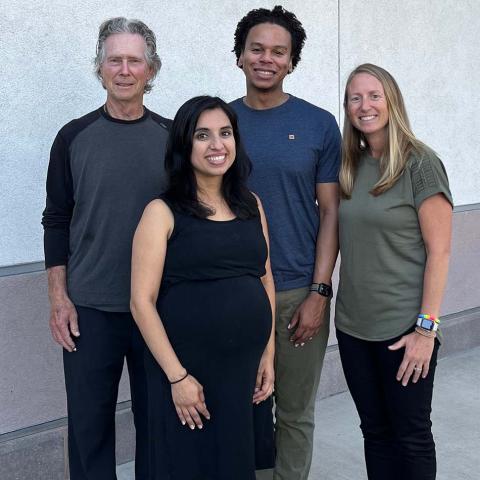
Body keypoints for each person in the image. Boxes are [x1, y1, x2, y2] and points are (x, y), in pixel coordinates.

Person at [41, 17, 170, 479]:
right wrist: (59, 298)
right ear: (99, 68)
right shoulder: (73, 137)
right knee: (90, 429)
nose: (124, 69)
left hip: (157, 308)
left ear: (151, 70)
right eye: (114, 59)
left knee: (158, 426)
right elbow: (56, 220)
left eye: (135, 60)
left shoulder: (173, 139)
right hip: (89, 309)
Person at [130, 96, 276, 480]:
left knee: (235, 463)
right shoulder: (161, 212)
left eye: (225, 133)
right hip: (187, 371)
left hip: (244, 367)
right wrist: (177, 378)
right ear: (184, 144)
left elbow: (264, 278)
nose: (217, 145)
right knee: (189, 465)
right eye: (203, 135)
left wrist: (268, 354)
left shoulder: (251, 204)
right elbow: (141, 302)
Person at [230, 6, 341, 480]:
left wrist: (320, 291)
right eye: (257, 48)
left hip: (298, 290)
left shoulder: (318, 124)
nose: (266, 58)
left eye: (279, 51)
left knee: (294, 414)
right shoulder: (219, 123)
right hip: (235, 292)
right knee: (237, 411)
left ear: (292, 62)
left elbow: (331, 212)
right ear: (240, 56)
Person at [335, 63, 453, 480]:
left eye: (373, 96)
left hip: (404, 331)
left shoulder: (420, 164)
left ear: (392, 101)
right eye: (355, 97)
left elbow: (439, 252)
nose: (364, 105)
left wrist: (426, 329)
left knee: (412, 435)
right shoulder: (351, 164)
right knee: (376, 433)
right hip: (352, 328)